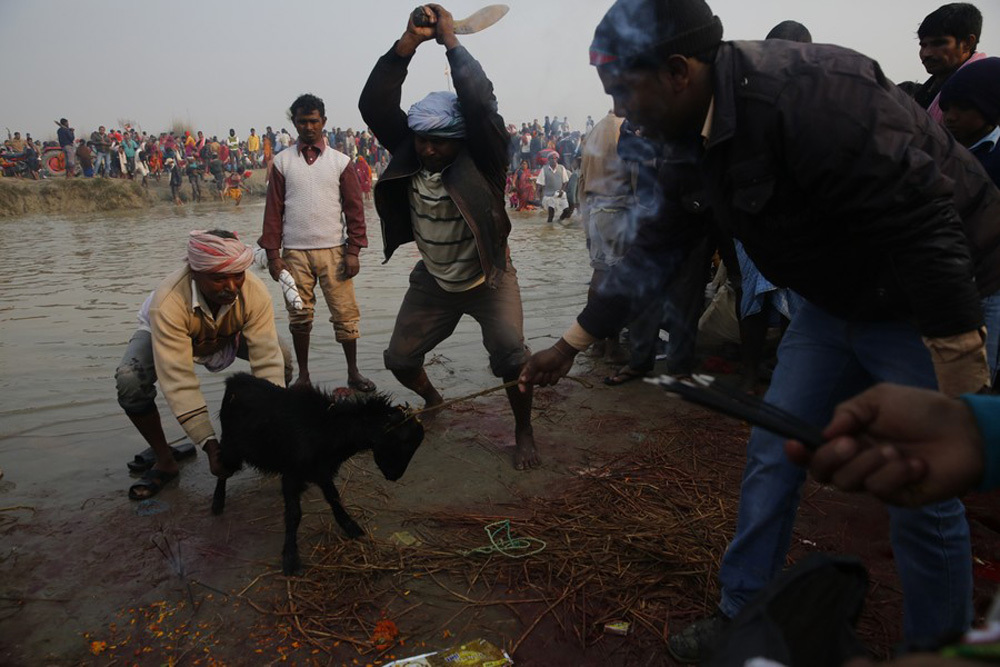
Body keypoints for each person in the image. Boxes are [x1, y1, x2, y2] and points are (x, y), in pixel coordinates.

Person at [519, 0, 1000, 659]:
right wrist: (570, 343)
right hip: (833, 302)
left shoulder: (815, 98)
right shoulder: (683, 134)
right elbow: (657, 245)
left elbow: (926, 225)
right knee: (773, 451)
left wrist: (961, 387)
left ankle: (938, 646)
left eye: (623, 91)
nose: (621, 111)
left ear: (679, 71)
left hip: (929, 298)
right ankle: (742, 611)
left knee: (922, 486)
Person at [359, 3, 538, 470]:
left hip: (488, 278)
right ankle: (435, 401)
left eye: (439, 141)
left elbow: (478, 103)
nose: (429, 148)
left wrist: (451, 42)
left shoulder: (485, 157)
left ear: (460, 139)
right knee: (398, 359)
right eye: (421, 139)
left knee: (512, 357)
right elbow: (374, 105)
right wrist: (409, 43)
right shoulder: (411, 150)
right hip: (434, 282)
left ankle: (524, 431)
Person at [114, 230, 291, 500]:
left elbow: (267, 360)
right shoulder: (168, 302)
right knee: (130, 380)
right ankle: (165, 460)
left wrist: (268, 424)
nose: (231, 287)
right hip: (164, 333)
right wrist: (209, 445)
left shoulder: (253, 292)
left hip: (225, 331)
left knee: (283, 357)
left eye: (238, 276)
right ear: (194, 272)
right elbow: (179, 380)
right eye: (219, 278)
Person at [259, 93, 376, 392]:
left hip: (335, 251)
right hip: (294, 253)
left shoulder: (341, 162)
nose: (308, 127)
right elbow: (274, 211)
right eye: (302, 122)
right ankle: (304, 375)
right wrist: (273, 256)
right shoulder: (283, 162)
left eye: (313, 121)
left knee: (345, 315)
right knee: (299, 315)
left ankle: (353, 372)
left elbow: (354, 210)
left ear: (323, 122)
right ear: (295, 124)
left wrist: (354, 251)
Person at [914, 3, 986, 123]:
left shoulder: (983, 88)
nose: (926, 53)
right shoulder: (927, 91)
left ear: (967, 43)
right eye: (923, 45)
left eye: (938, 44)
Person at [536, 151, 571, 223]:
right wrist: (540, 198)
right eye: (552, 158)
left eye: (556, 158)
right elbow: (540, 184)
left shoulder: (561, 168)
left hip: (560, 194)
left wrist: (562, 190)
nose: (554, 160)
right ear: (548, 160)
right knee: (551, 214)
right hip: (549, 196)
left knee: (567, 211)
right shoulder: (544, 169)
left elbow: (565, 182)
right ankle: (549, 229)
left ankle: (559, 221)